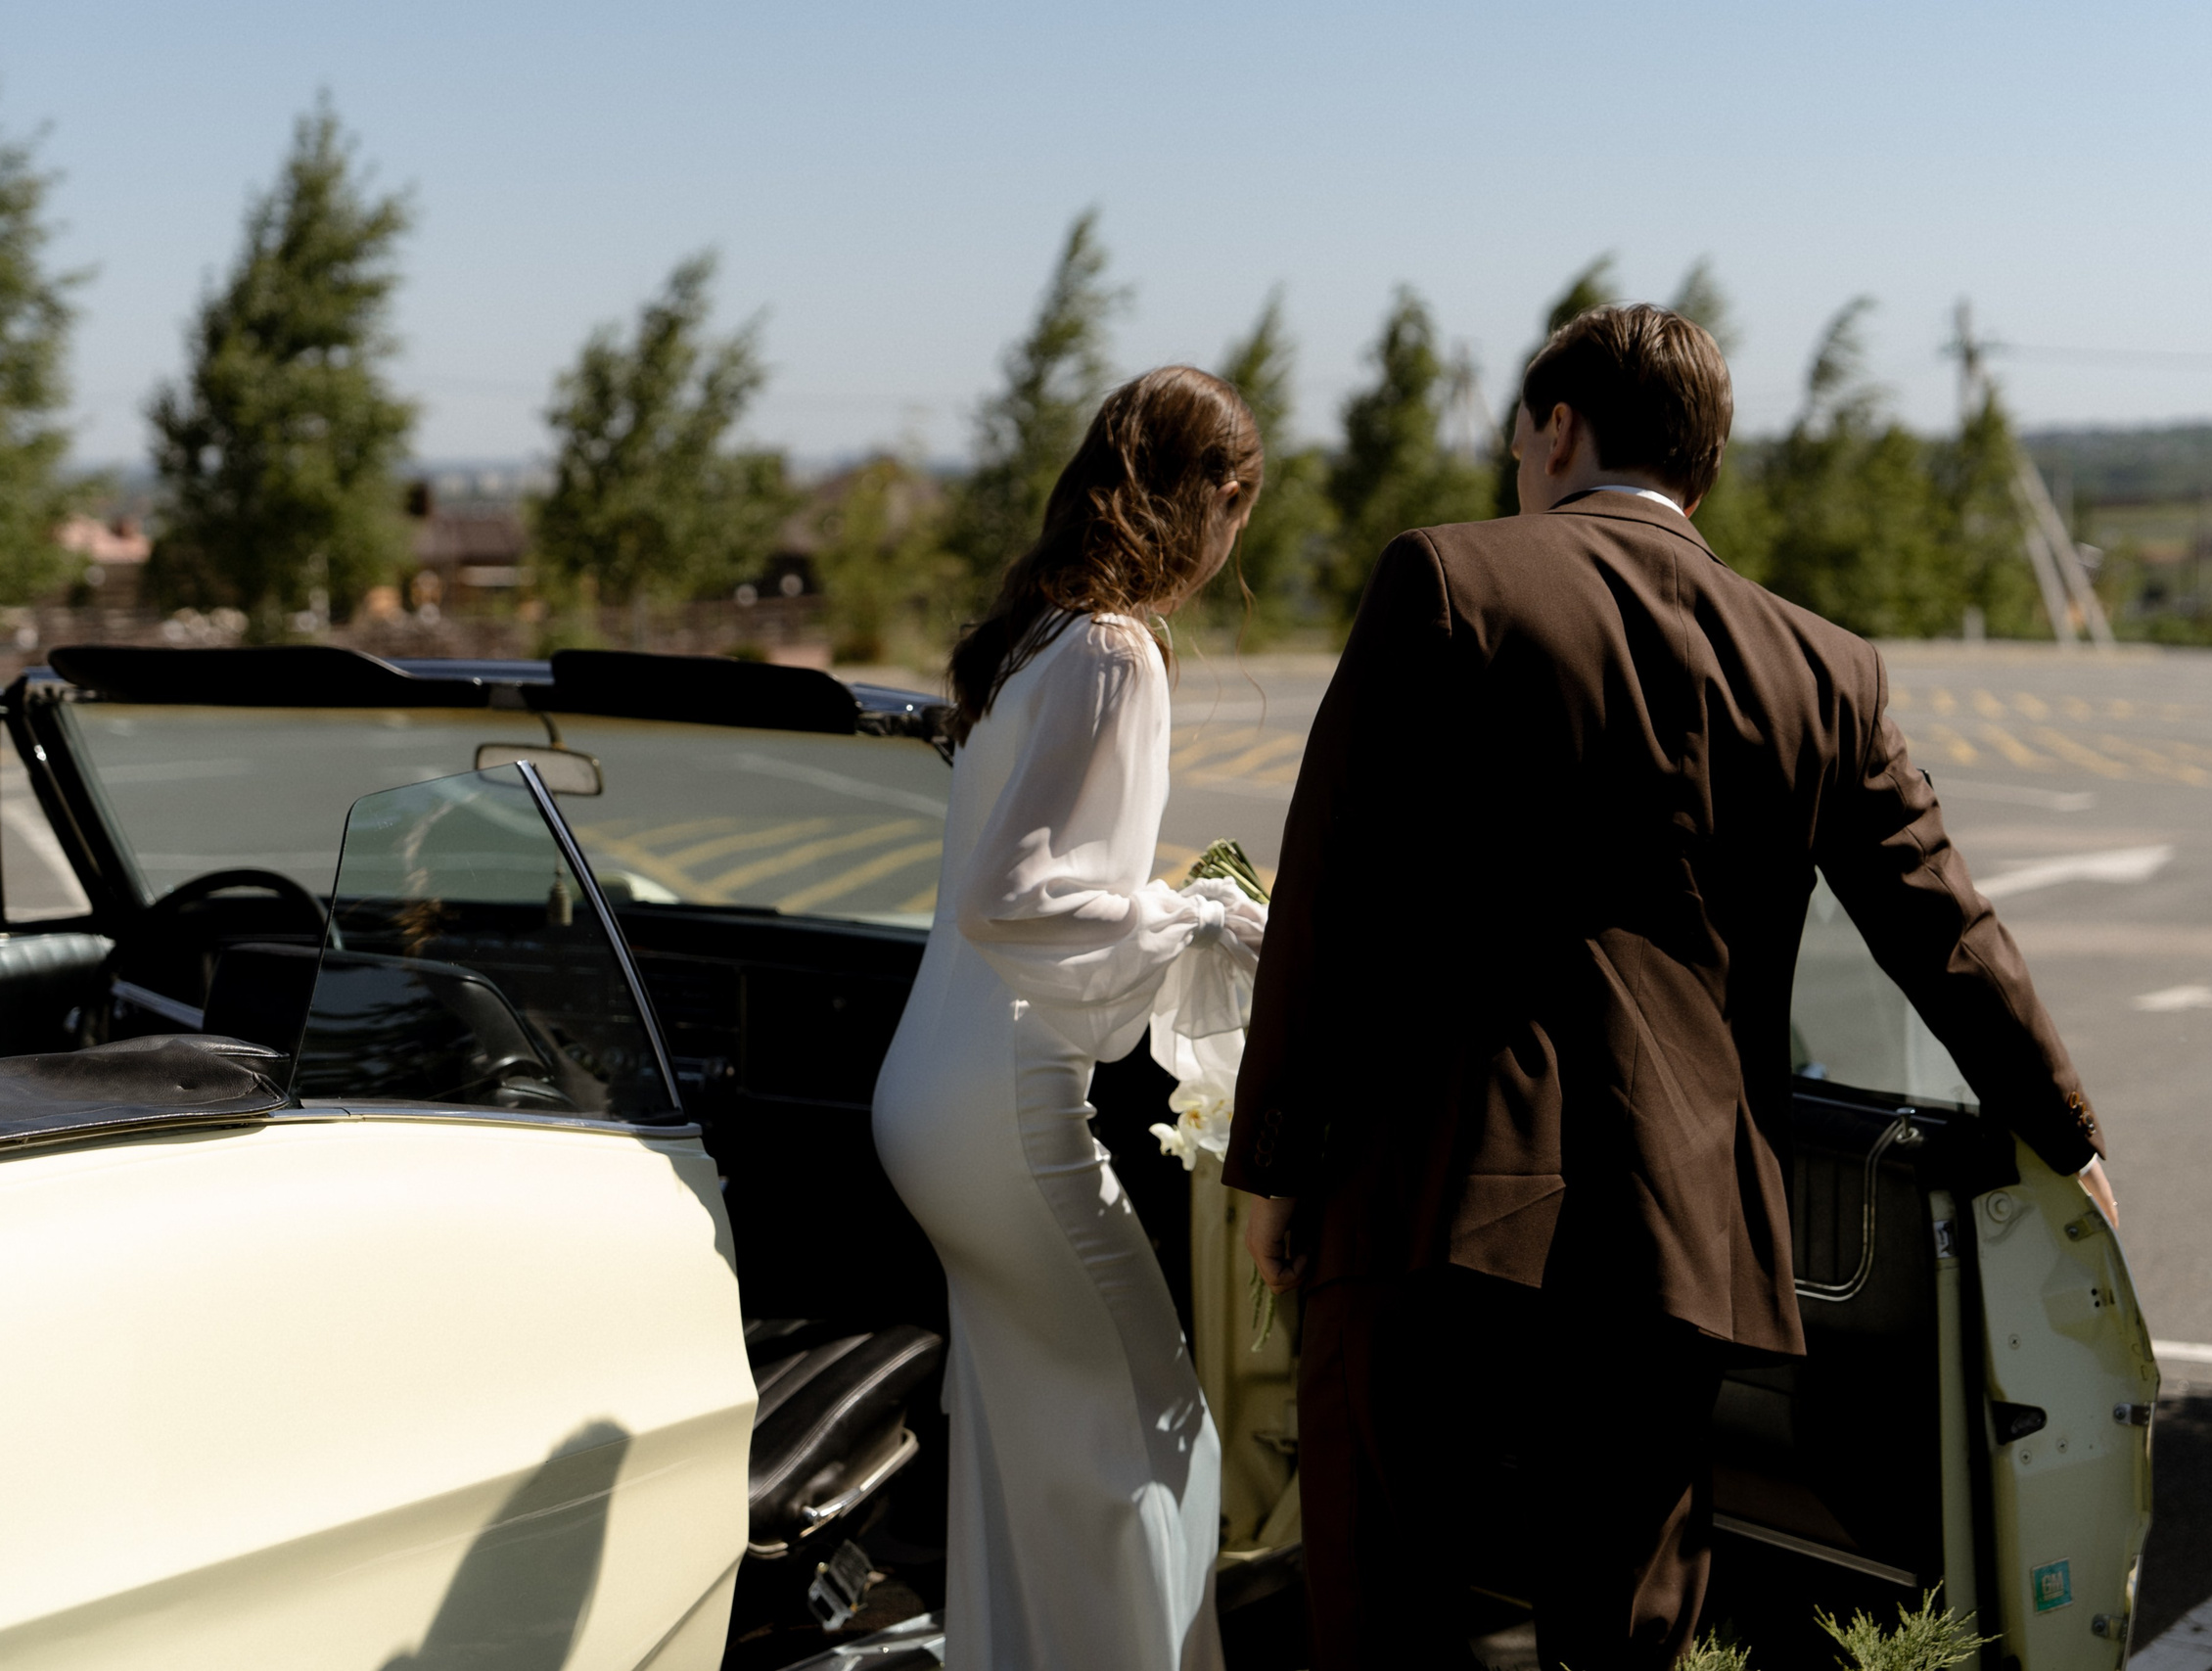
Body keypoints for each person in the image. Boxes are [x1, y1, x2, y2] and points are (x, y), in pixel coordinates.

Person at [1221, 303, 2117, 1670]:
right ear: (1702, 466)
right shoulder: (1824, 664)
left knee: (1393, 1612)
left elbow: (1332, 895)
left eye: (1522, 439)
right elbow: (1942, 926)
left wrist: (1279, 1161)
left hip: (1432, 1205)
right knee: (1627, 1631)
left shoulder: (1449, 583)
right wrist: (2067, 1131)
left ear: (1559, 428)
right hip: (1679, 1232)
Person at [874, 365, 1267, 1671]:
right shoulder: (1114, 649)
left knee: (1028, 1446)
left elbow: (1020, 888)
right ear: (1207, 496)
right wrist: (1200, 919)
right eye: (1240, 503)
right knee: (1155, 1439)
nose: (1234, 542)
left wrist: (1157, 901)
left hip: (921, 1103)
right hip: (1002, 1110)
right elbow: (1020, 900)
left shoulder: (1034, 639)